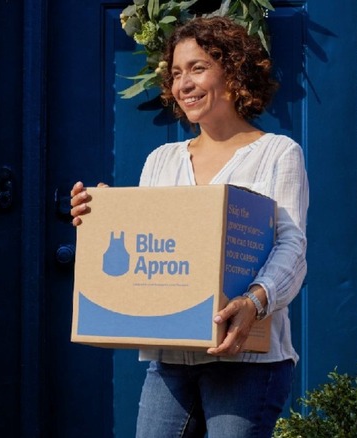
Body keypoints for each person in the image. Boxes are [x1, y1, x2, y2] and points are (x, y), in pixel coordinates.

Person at [71, 16, 308, 438]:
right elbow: (147, 242)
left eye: (198, 68)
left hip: (246, 361)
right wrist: (102, 213)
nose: (184, 85)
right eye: (177, 74)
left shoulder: (277, 154)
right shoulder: (161, 160)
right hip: (171, 360)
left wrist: (255, 300)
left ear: (233, 71)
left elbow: (291, 246)